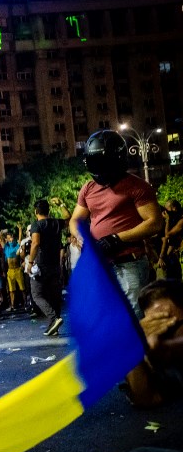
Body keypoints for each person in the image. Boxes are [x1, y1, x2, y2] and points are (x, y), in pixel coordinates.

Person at [69, 129, 163, 320]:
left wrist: (116, 239)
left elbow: (154, 223)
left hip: (129, 263)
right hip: (100, 264)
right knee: (106, 318)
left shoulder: (137, 186)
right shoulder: (88, 188)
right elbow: (75, 220)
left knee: (132, 319)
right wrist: (81, 238)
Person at [122, 279, 183, 452]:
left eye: (173, 324)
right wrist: (132, 344)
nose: (165, 331)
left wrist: (165, 348)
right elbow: (145, 397)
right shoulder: (171, 363)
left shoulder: (170, 351)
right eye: (159, 326)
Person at [26, 197, 71, 336]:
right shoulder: (56, 223)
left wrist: (30, 262)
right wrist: (61, 204)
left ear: (35, 212)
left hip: (41, 265)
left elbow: (35, 243)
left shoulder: (37, 225)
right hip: (55, 265)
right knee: (54, 295)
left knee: (37, 294)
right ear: (49, 210)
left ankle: (54, 318)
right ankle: (54, 326)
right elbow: (69, 218)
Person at [157, 199, 183, 281]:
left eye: (167, 209)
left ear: (174, 208)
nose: (165, 212)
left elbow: (167, 235)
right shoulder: (175, 219)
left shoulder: (181, 220)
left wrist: (161, 257)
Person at [2, 224, 25, 311]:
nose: (11, 239)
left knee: (22, 288)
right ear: (7, 239)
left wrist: (20, 230)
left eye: (11, 237)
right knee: (11, 290)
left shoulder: (16, 246)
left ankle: (25, 303)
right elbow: (1, 240)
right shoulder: (6, 247)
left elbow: (19, 240)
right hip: (10, 270)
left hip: (17, 269)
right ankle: (12, 305)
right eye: (9, 238)